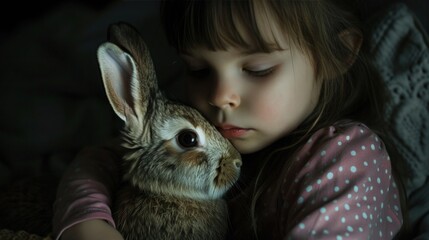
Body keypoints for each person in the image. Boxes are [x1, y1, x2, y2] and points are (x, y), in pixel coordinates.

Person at [53, 0, 410, 239]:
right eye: (198, 70)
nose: (220, 96)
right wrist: (86, 223)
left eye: (258, 70)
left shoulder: (348, 156)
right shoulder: (221, 131)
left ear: (337, 56)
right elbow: (101, 159)